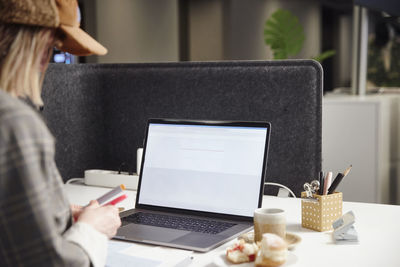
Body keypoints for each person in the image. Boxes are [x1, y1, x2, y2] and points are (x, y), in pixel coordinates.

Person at [0, 0, 121, 266]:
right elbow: (49, 262)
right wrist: (93, 230)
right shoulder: (13, 123)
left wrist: (54, 214)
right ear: (41, 44)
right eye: (53, 47)